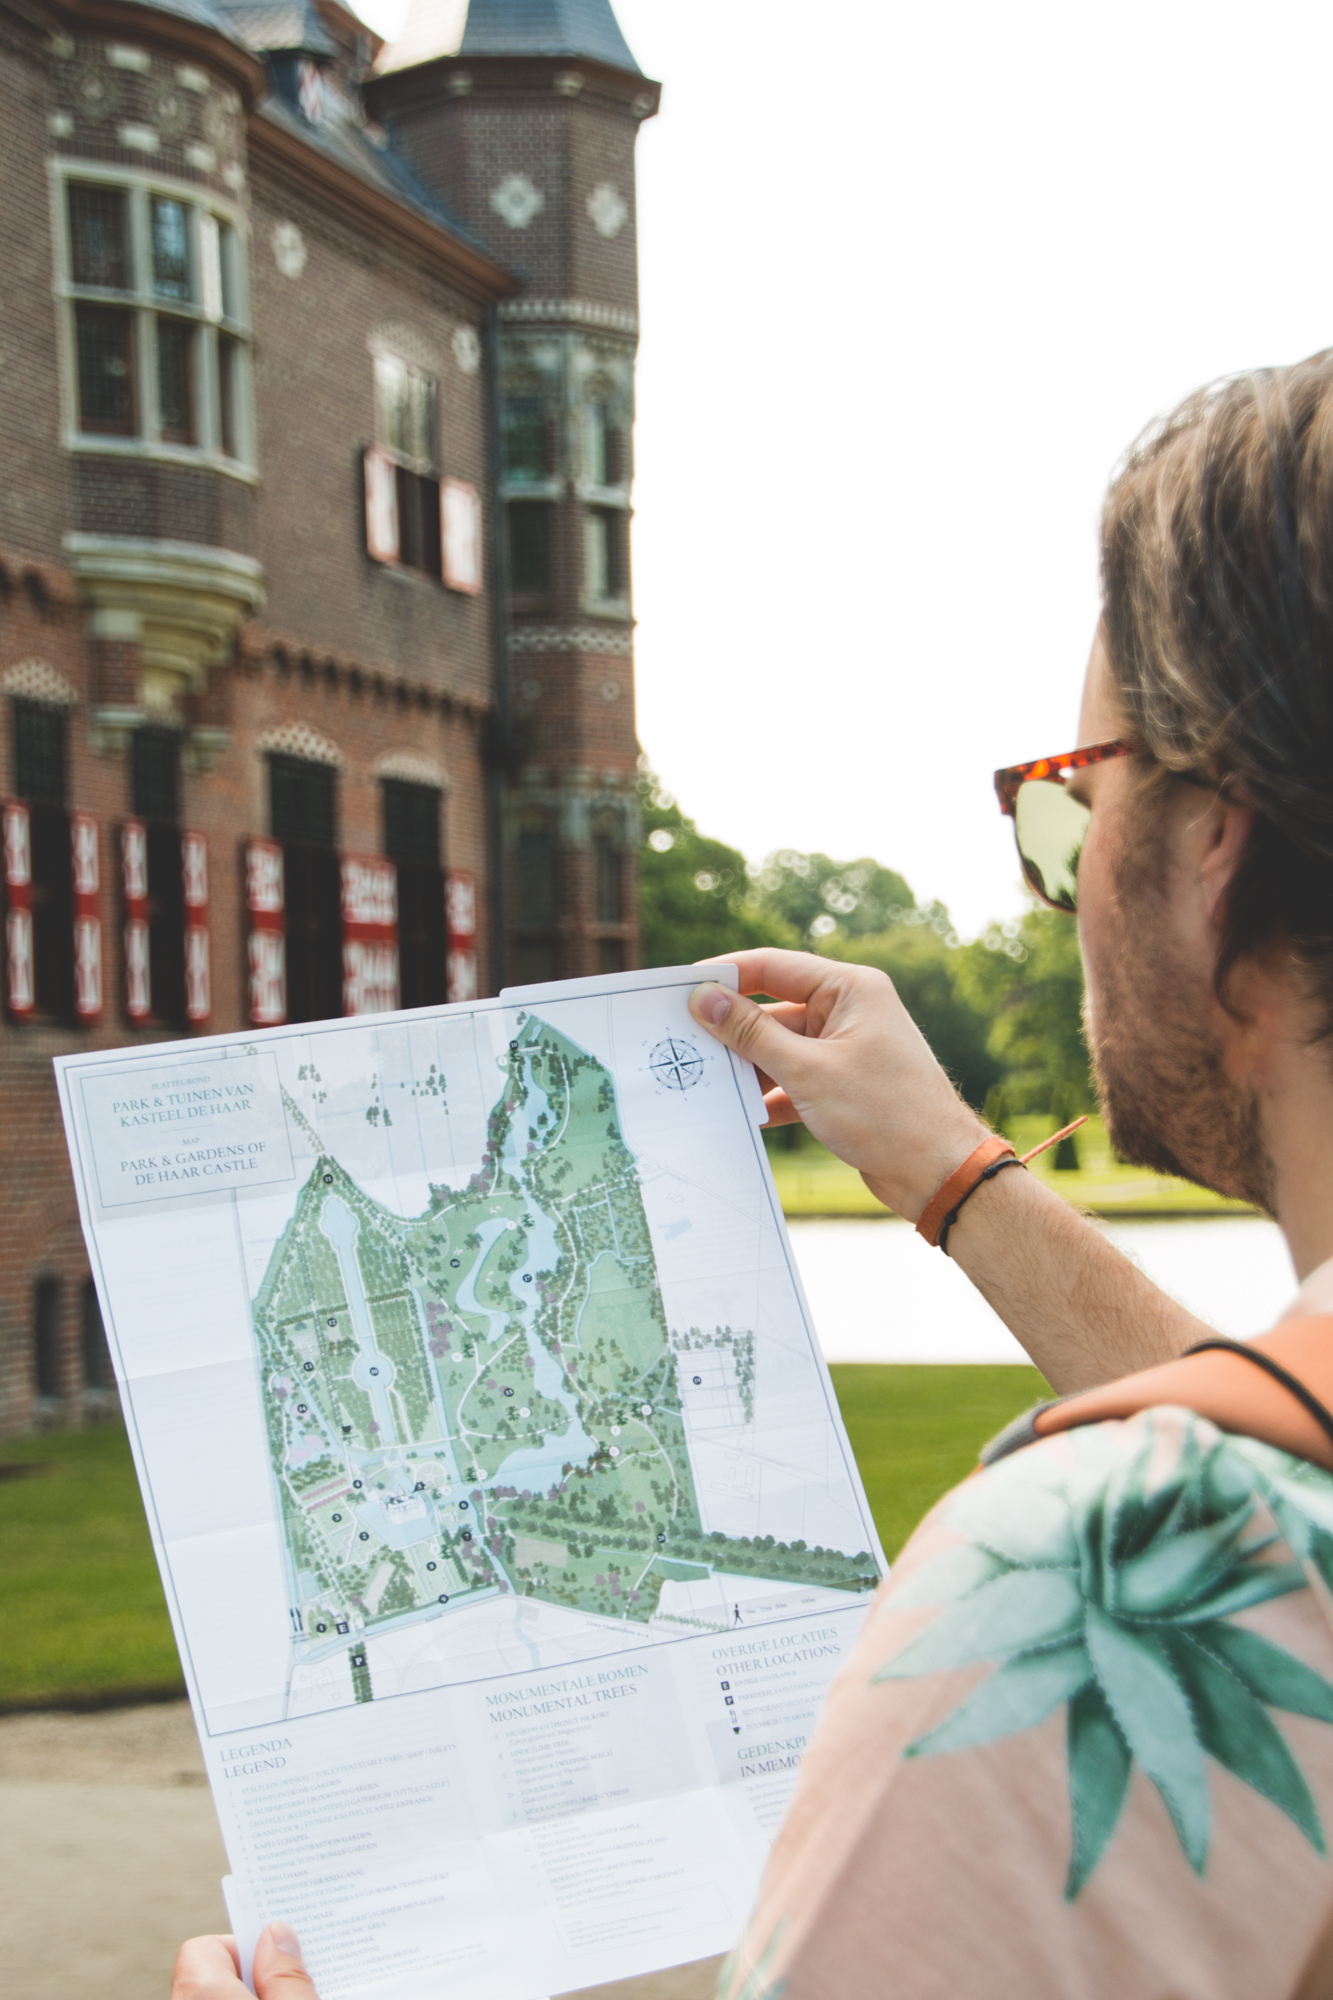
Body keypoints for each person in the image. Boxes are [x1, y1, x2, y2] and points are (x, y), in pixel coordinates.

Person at [173, 355, 1333, 1998]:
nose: (1055, 887)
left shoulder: (1084, 1585)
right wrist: (949, 1175)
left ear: (1213, 852)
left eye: (1064, 812)